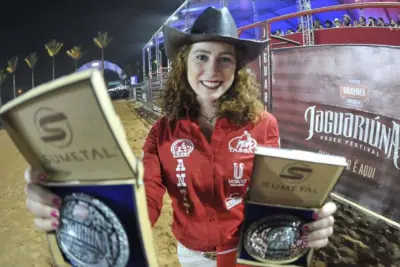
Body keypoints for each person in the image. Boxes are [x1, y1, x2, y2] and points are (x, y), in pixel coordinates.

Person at [24, 7, 337, 267]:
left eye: (224, 59)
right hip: (193, 258)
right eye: (201, 56)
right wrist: (89, 217)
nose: (212, 69)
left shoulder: (263, 124)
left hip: (248, 255)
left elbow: (273, 197)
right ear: (184, 63)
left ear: (237, 69)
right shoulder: (162, 132)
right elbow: (145, 198)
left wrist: (306, 221)